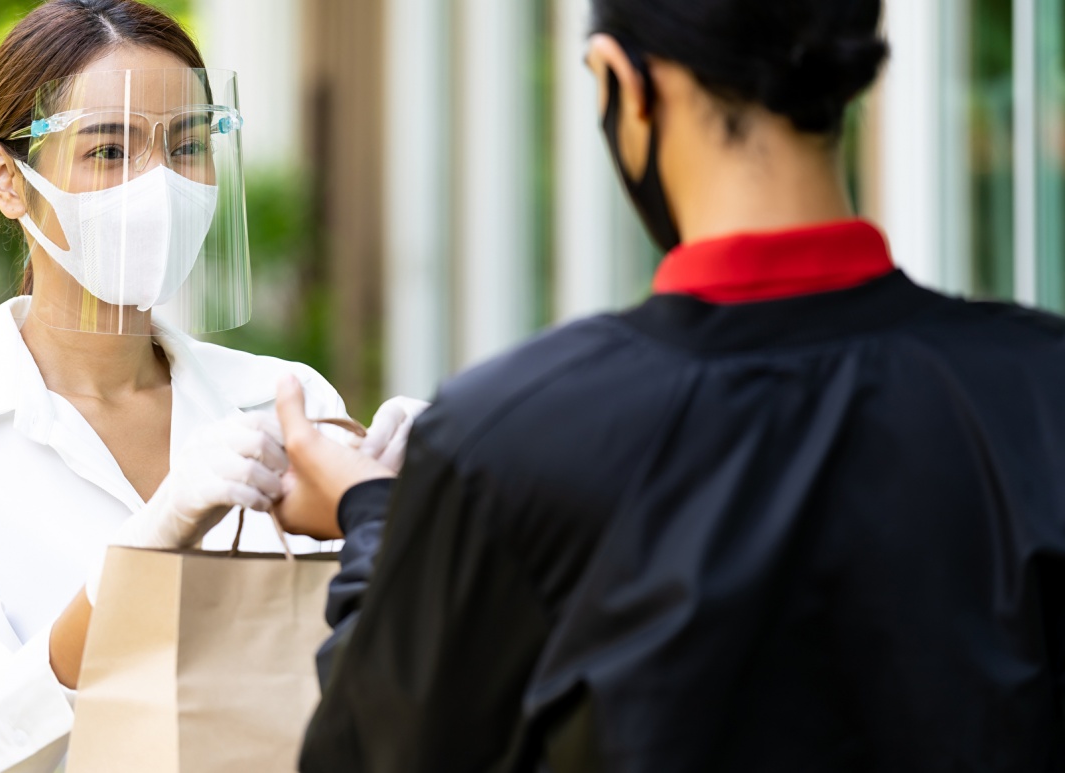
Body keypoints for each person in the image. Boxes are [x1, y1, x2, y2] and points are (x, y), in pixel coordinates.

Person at [273, 0, 1065, 770]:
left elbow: (379, 750)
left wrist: (373, 515)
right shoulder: (1041, 386)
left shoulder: (512, 437)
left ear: (625, 83)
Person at [0, 1, 414, 770]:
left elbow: (389, 686)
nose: (161, 185)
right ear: (6, 179)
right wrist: (138, 556)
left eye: (187, 145)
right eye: (108, 151)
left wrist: (409, 514)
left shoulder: (287, 398)